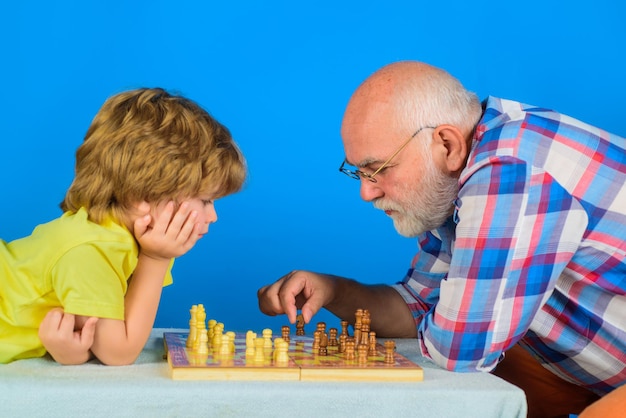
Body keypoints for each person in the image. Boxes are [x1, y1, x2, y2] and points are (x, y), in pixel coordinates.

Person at [257, 61, 626, 417]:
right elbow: (418, 307)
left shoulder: (509, 171)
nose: (366, 194)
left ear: (446, 144)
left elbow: (459, 349)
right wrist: (335, 291)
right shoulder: (453, 181)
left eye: (378, 170)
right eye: (359, 174)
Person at [0, 87, 246, 366]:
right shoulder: (91, 250)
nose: (213, 216)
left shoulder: (120, 238)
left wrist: (74, 353)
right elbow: (118, 352)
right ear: (143, 197)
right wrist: (156, 259)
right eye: (205, 200)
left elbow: (100, 335)